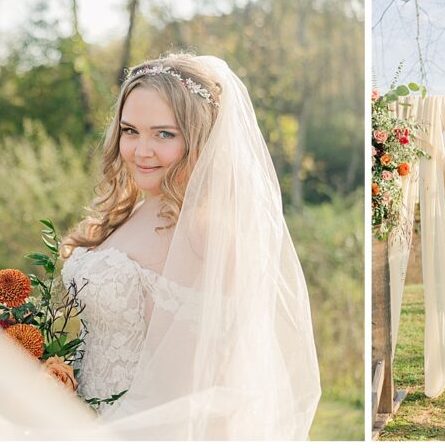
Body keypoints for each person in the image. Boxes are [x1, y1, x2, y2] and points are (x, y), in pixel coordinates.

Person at [60, 53, 321, 439]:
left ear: (201, 138)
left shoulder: (207, 232)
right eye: (130, 130)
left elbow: (192, 388)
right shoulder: (131, 209)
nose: (140, 150)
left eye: (164, 134)